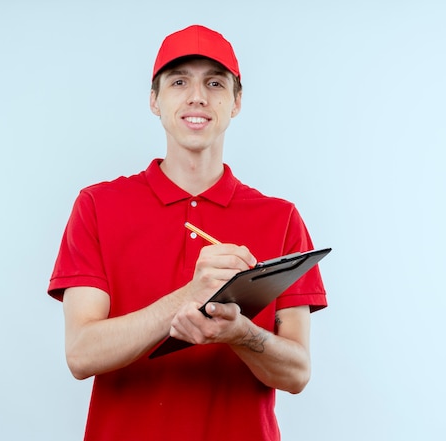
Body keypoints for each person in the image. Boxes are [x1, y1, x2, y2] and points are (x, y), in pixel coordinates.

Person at [48, 24, 327, 441]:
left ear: (236, 102)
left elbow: (297, 372)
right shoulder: (97, 206)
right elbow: (81, 354)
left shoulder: (280, 218)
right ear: (154, 100)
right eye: (179, 81)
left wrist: (239, 333)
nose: (197, 96)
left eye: (215, 83)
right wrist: (189, 297)